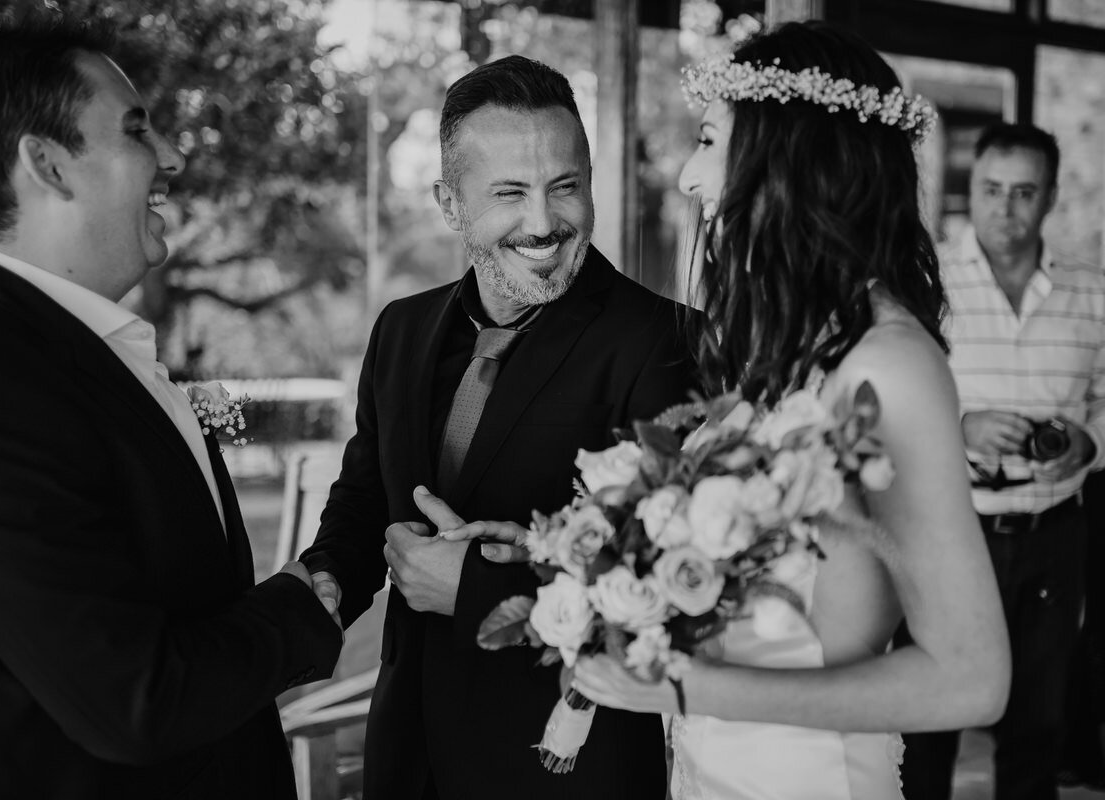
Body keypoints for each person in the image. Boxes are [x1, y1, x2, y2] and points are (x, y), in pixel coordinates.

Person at [555, 21, 1009, 800]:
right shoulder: (784, 364)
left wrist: (687, 688)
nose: (690, 178)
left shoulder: (889, 368)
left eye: (707, 140)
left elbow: (970, 679)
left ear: (790, 158)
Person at [0, 17, 342, 800]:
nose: (171, 156)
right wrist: (299, 609)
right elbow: (134, 703)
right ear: (47, 164)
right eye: (137, 128)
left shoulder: (79, 355)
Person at [300, 55, 697, 800]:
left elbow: (675, 592)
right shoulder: (401, 330)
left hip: (566, 768)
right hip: (407, 755)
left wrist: (479, 588)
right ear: (450, 203)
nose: (544, 223)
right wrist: (320, 584)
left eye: (565, 188)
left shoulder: (669, 343)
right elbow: (363, 503)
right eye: (510, 193)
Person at [899, 123, 1105, 800]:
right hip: (950, 533)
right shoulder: (927, 282)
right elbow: (885, 402)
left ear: (1050, 197)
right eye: (991, 190)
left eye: (1024, 192)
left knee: (1037, 724)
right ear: (971, 189)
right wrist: (959, 426)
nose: (1006, 208)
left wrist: (1087, 442)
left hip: (1055, 533)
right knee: (929, 725)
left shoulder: (1093, 292)